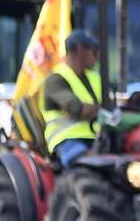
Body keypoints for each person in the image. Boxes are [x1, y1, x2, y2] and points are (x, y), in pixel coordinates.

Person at [41, 30, 104, 165]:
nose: (97, 57)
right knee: (86, 167)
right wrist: (104, 106)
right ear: (80, 50)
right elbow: (79, 110)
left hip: (95, 138)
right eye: (94, 51)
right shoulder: (55, 80)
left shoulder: (94, 78)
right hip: (66, 139)